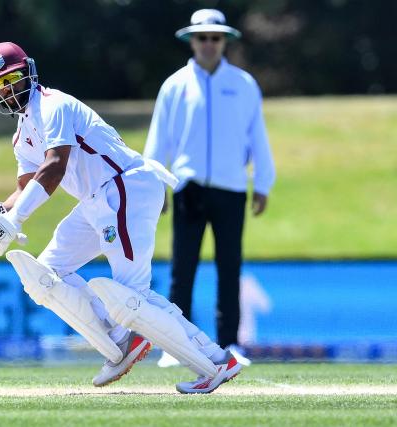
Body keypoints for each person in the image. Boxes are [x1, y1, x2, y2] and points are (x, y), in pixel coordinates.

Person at [0, 41, 243, 393]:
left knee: (132, 297)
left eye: (13, 78)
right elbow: (26, 186)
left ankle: (216, 362)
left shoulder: (53, 105)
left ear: (28, 72)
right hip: (96, 200)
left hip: (124, 187)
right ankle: (120, 342)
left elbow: (55, 167)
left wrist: (14, 221)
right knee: (45, 275)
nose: (9, 89)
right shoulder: (21, 136)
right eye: (0, 84)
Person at [143, 9, 276, 368]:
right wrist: (154, 186)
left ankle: (230, 344)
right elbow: (159, 140)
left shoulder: (244, 84)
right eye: (202, 37)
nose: (208, 44)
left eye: (215, 38)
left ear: (224, 42)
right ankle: (177, 346)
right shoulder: (174, 85)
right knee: (182, 269)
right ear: (192, 41)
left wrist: (262, 182)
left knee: (229, 267)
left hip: (231, 187)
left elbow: (258, 138)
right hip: (189, 186)